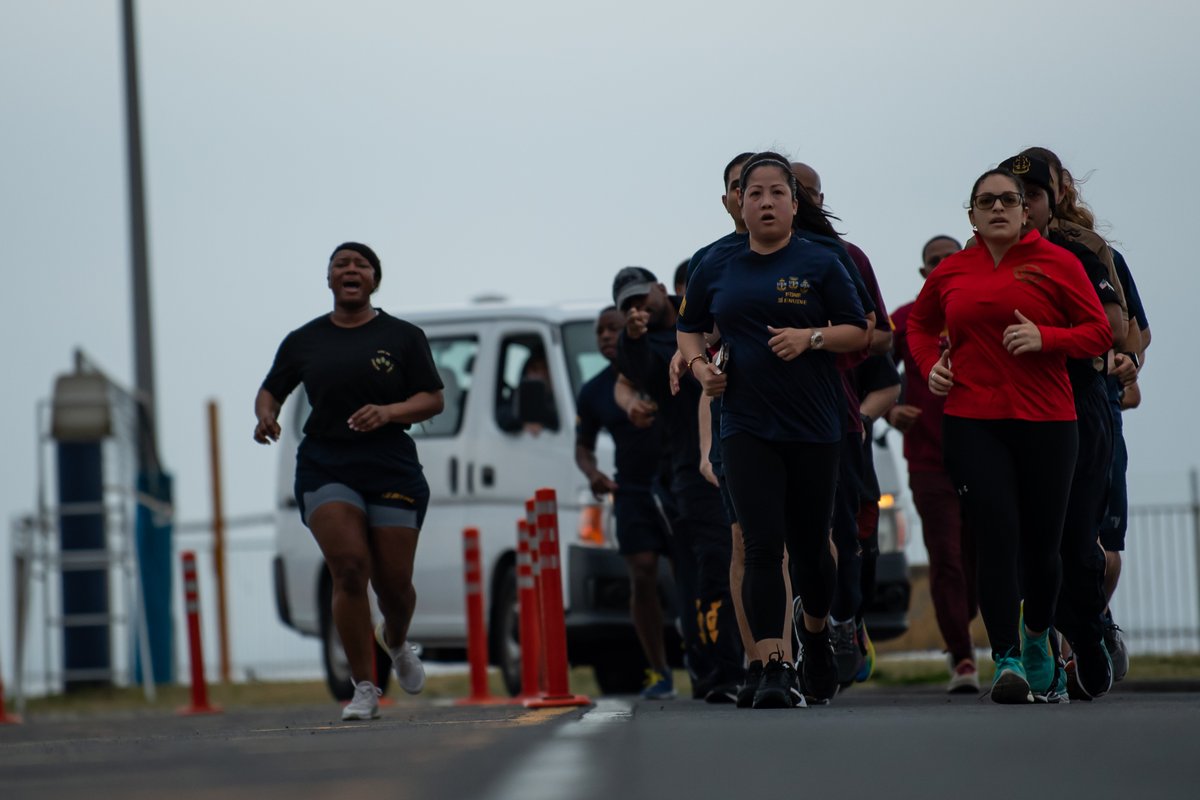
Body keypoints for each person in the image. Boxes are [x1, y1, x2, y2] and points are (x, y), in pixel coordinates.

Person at [906, 170, 1111, 704]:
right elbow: (920, 327)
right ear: (971, 215)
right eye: (985, 201)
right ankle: (1007, 659)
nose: (997, 208)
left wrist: (1047, 337)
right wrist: (932, 366)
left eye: (1008, 200)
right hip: (973, 420)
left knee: (1043, 547)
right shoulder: (951, 271)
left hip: (1048, 422)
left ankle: (1038, 636)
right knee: (996, 537)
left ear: (1025, 211)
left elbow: (1099, 332)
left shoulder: (1059, 263)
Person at [679, 152, 870, 708]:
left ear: (794, 203)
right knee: (761, 546)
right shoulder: (713, 263)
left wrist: (809, 338)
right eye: (753, 192)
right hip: (745, 424)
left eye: (776, 193)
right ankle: (771, 665)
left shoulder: (823, 261)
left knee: (813, 550)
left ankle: (813, 636)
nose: (764, 202)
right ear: (739, 202)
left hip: (814, 427)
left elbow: (857, 331)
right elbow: (689, 330)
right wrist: (699, 369)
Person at [253, 242, 445, 721]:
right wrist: (266, 418)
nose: (351, 270)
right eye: (342, 264)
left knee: (394, 585)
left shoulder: (403, 336)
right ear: (330, 279)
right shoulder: (305, 340)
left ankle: (396, 641)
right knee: (350, 567)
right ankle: (364, 686)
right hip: (326, 463)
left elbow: (433, 399)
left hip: (389, 464)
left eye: (361, 264)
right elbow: (270, 390)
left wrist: (389, 411)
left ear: (374, 280)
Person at [999, 153, 1124, 700]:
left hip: (1078, 401)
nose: (1019, 206)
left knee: (1076, 540)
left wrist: (1047, 336)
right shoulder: (979, 260)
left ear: (1053, 201)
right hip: (1011, 410)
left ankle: (1090, 634)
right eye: (1006, 195)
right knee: (1022, 540)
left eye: (1031, 194)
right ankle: (1038, 653)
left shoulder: (1081, 252)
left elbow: (1115, 329)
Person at [614, 266, 745, 702]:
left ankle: (766, 660)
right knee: (708, 570)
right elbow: (632, 375)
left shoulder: (705, 314)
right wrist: (631, 337)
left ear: (660, 289)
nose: (638, 309)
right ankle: (718, 671)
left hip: (747, 456)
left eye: (640, 299)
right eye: (627, 307)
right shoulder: (649, 347)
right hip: (690, 473)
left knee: (756, 560)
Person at [887, 234, 981, 693]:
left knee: (980, 557)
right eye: (933, 261)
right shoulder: (904, 320)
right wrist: (888, 410)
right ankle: (962, 658)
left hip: (985, 456)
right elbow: (874, 371)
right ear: (924, 274)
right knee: (945, 557)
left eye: (951, 257)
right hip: (928, 459)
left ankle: (961, 623)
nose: (943, 264)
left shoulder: (986, 309)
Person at [575, 306, 675, 699]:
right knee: (643, 572)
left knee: (691, 573)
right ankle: (660, 670)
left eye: (611, 329)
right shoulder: (594, 390)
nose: (603, 336)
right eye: (599, 331)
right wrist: (593, 474)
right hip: (630, 491)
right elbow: (582, 447)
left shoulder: (658, 367)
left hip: (675, 483)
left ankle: (706, 654)